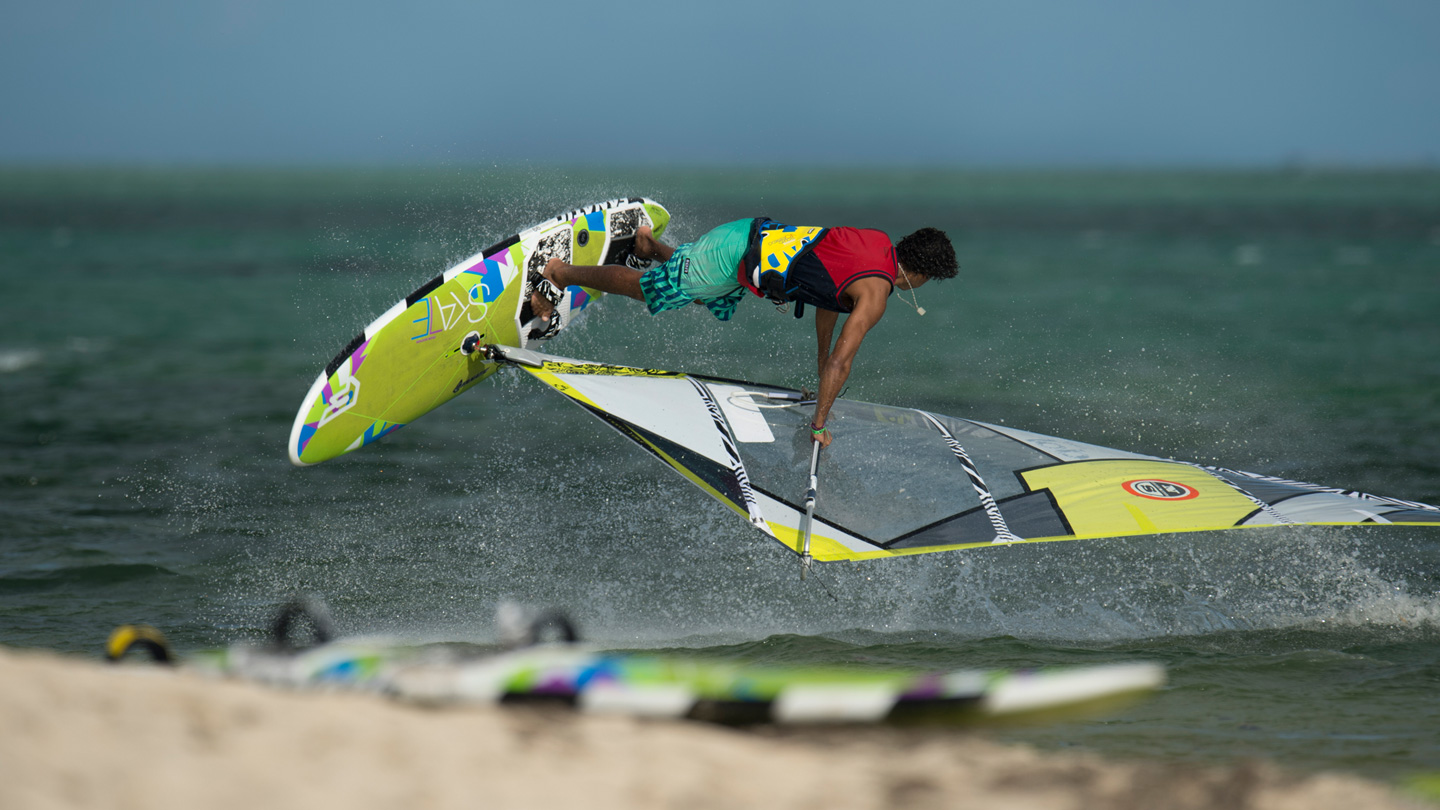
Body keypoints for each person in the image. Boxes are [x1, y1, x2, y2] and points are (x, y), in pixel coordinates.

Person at [536, 218, 958, 447]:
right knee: (648, 289)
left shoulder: (876, 244)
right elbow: (842, 362)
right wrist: (817, 425)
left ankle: (650, 248)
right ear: (921, 274)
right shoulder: (878, 293)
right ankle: (559, 273)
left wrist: (819, 365)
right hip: (731, 255)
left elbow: (829, 301)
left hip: (746, 238)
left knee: (700, 292)